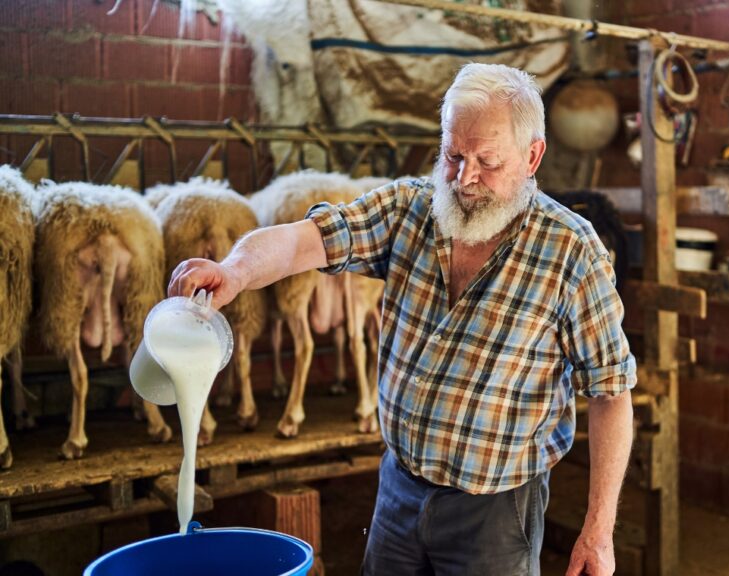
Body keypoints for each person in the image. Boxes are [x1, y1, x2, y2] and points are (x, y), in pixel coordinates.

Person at [168, 63, 636, 576]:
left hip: (495, 511)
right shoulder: (410, 209)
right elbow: (304, 241)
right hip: (399, 487)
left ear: (532, 156)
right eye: (453, 155)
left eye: (488, 160)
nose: (466, 178)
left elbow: (611, 394)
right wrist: (233, 270)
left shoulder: (571, 251)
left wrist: (598, 530)